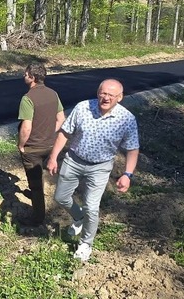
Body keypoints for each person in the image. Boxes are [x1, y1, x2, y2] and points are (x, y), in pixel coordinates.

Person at [48, 78, 139, 262]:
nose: (105, 98)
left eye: (111, 95)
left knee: (92, 206)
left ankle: (85, 244)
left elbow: (132, 148)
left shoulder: (127, 119)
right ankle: (78, 217)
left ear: (119, 98)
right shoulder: (83, 108)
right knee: (60, 197)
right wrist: (53, 157)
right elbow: (65, 132)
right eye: (103, 93)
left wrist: (127, 174)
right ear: (98, 93)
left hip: (100, 167)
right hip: (74, 159)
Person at [17, 61, 64, 227]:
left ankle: (37, 218)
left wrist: (22, 145)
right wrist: (50, 132)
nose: (24, 76)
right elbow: (61, 119)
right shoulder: (53, 94)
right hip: (50, 145)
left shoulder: (28, 98)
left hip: (33, 148)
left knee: (35, 185)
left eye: (25, 74)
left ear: (32, 77)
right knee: (44, 176)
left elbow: (26, 127)